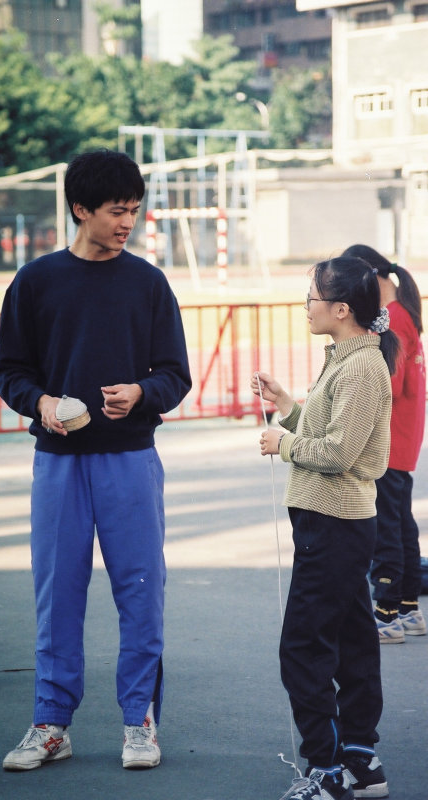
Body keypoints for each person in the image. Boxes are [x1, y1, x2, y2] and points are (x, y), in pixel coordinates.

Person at [0, 150, 191, 772]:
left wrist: (142, 393)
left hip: (130, 459)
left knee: (141, 592)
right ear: (81, 210)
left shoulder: (149, 282)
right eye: (116, 211)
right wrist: (42, 402)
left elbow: (175, 374)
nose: (127, 221)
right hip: (58, 462)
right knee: (58, 595)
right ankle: (51, 724)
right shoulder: (35, 280)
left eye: (134, 210)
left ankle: (140, 722)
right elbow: (11, 371)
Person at [251, 256, 399, 800]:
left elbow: (338, 452)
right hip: (335, 520)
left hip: (334, 520)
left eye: (311, 298)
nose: (305, 307)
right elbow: (330, 428)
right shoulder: (349, 357)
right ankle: (361, 761)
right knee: (351, 639)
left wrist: (282, 442)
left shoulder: (362, 366)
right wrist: (288, 406)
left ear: (341, 308)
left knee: (303, 646)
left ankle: (326, 769)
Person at [342, 244, 426, 643]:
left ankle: (386, 612)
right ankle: (407, 608)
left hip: (389, 440)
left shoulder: (391, 318)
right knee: (401, 522)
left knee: (386, 527)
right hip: (403, 438)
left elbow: (388, 383)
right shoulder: (403, 313)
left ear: (369, 278)